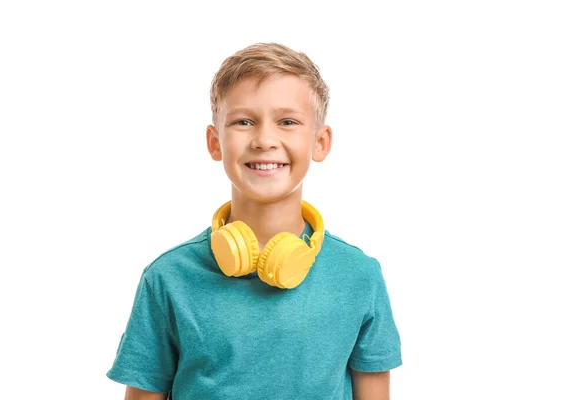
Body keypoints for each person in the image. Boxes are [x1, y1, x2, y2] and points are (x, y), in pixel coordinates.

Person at [106, 42, 402, 399]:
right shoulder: (168, 277)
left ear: (320, 143)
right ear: (215, 143)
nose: (264, 140)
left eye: (287, 122)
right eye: (244, 122)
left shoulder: (360, 276)